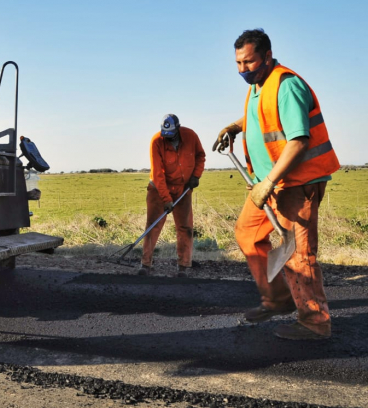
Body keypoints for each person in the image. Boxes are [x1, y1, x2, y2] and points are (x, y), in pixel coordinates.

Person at [213, 29, 340, 340]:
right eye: (238, 63)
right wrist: (236, 126)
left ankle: (315, 321)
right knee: (247, 233)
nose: (243, 69)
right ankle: (278, 299)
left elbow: (298, 141)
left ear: (267, 56)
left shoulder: (286, 85)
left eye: (249, 61)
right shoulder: (260, 86)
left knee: (299, 254)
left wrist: (268, 182)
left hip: (296, 184)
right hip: (268, 185)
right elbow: (261, 116)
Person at [140, 114, 205, 278]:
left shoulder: (191, 136)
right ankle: (145, 265)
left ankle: (183, 267)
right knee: (153, 226)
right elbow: (157, 174)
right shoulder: (156, 141)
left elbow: (200, 156)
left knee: (185, 227)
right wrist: (166, 199)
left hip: (183, 188)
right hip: (159, 188)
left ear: (178, 129)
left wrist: (196, 176)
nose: (167, 139)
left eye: (171, 136)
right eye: (165, 135)